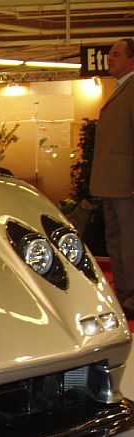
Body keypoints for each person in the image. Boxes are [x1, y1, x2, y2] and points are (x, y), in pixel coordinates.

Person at [90, 38, 134, 320]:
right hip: (110, 183)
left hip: (126, 184)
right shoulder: (119, 90)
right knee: (116, 242)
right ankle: (124, 294)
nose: (110, 59)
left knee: (128, 242)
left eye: (116, 54)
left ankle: (131, 296)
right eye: (110, 55)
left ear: (132, 59)